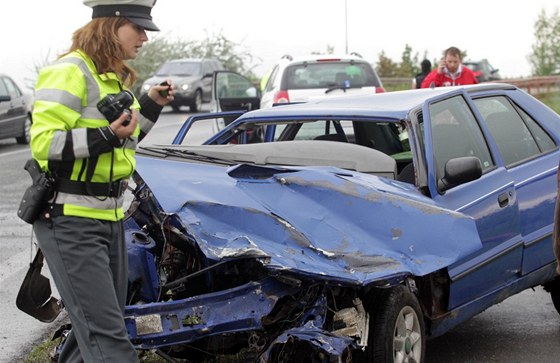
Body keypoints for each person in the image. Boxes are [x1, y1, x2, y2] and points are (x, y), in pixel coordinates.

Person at [29, 0, 174, 361]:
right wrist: (105, 135)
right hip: (70, 221)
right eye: (137, 28)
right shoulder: (68, 72)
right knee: (109, 339)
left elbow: (128, 137)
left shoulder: (110, 78)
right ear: (111, 26)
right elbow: (44, 144)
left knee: (92, 330)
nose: (144, 38)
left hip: (108, 218)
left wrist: (150, 105)